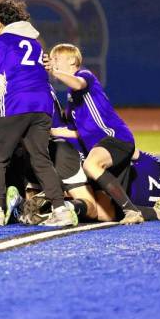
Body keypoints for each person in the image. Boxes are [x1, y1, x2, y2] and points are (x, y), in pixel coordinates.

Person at [0, 0, 76, 227]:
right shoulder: (34, 43)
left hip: (15, 104)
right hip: (42, 106)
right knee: (41, 160)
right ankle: (61, 210)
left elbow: (0, 82)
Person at [46, 43, 145, 225]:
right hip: (102, 146)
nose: (53, 63)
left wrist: (54, 72)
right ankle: (156, 212)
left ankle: (132, 211)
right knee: (109, 214)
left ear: (72, 60)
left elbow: (77, 84)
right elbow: (73, 131)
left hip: (115, 138)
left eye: (56, 59)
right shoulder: (71, 100)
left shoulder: (84, 75)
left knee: (91, 165)